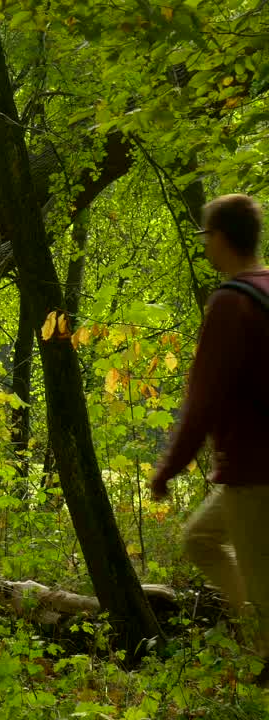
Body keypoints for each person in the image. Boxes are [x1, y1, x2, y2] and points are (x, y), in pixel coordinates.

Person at [151, 193, 269, 683]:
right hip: (253, 468)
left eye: (206, 236)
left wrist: (168, 469)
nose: (205, 245)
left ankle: (264, 657)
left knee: (265, 595)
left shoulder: (229, 302)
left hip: (254, 471)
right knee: (199, 538)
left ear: (220, 238)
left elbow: (204, 400)